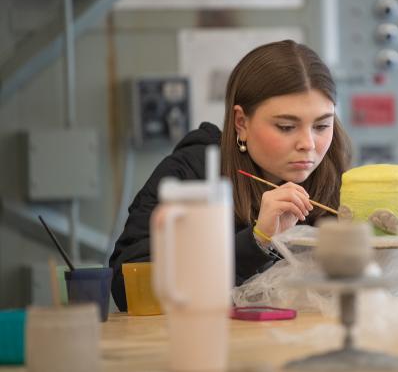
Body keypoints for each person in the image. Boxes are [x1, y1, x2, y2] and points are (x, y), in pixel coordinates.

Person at [109, 39, 351, 311]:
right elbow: (127, 287)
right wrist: (257, 239)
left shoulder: (336, 180)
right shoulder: (190, 173)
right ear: (241, 122)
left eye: (321, 125)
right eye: (286, 126)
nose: (308, 143)